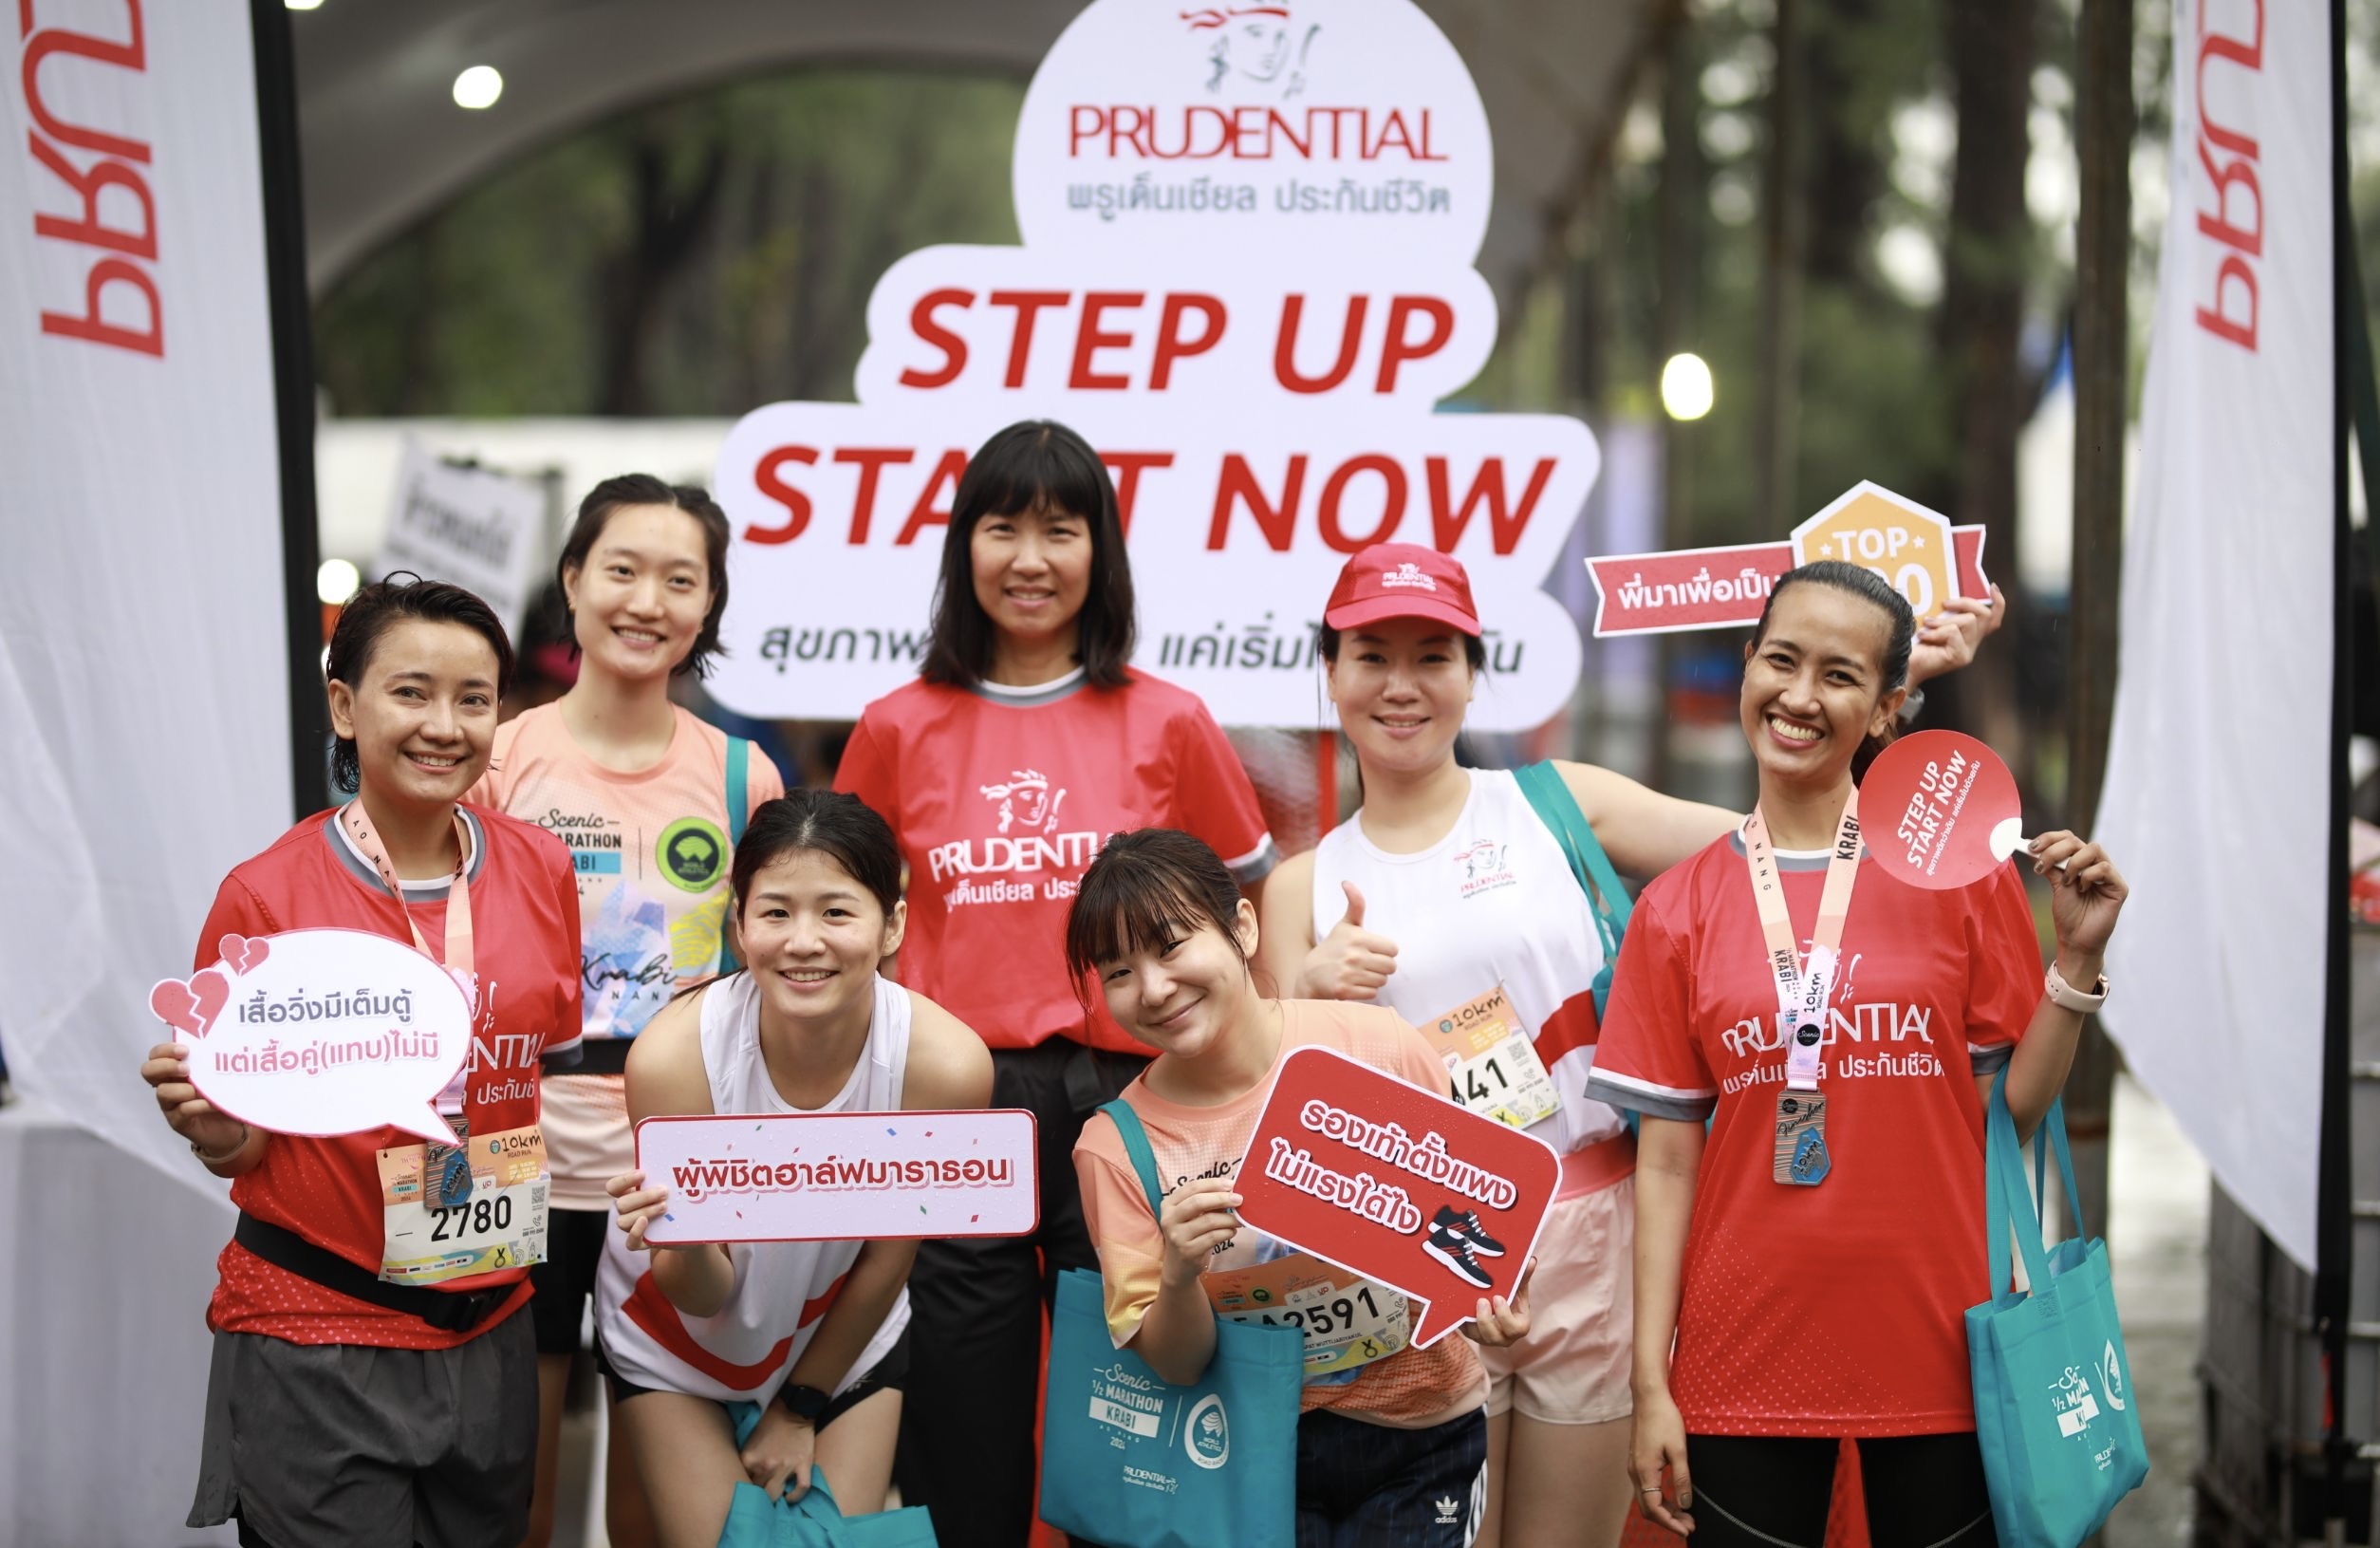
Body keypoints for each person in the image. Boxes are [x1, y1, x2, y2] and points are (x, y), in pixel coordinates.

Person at [1257, 544, 1999, 1548]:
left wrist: (1896, 698)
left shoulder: (1559, 801)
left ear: (1474, 672)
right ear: (1330, 671)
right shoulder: (1300, 885)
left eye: (1432, 655)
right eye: (1370, 655)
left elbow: (1795, 840)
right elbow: (1277, 1119)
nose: (1401, 686)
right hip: (1422, 1260)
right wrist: (1301, 997)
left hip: (1591, 1229)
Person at [1581, 561, 2127, 1548]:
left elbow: (2011, 1109)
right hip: (1741, 1351)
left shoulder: (1957, 876)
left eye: (1839, 675)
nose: (1799, 695)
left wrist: (2077, 962)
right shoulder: (1676, 908)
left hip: (1944, 1345)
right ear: (1746, 667)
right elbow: (1664, 1163)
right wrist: (1651, 1380)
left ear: (1885, 710)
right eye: (1781, 660)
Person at [834, 419, 1278, 1547]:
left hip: (1129, 1099)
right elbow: (846, 924)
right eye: (1002, 528)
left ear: (1101, 550)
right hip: (957, 1097)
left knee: (1139, 1390)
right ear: (963, 549)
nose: (1030, 558)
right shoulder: (897, 725)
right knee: (964, 1397)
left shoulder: (1167, 718)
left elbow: (1241, 909)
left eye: (1060, 529)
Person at [141, 576, 584, 1548]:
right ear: (345, 704)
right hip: (322, 1330)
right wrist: (220, 1132)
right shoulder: (265, 897)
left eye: (475, 698)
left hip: (492, 1316)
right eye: (411, 691)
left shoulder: (542, 869)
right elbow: (240, 1140)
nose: (446, 724)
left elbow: (541, 1072)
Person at [470, 474, 787, 1548]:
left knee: (660, 1484)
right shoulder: (499, 758)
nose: (647, 599)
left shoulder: (745, 777)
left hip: (682, 1160)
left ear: (708, 607)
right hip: (516, 1149)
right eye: (622, 569)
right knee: (511, 1464)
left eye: (680, 578)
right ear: (571, 582)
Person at [1069, 827, 1528, 1547]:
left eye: (1171, 945)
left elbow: (1471, 1241)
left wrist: (1486, 1305)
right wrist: (1180, 1272)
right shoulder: (1113, 1145)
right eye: (1118, 971)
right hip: (1241, 1457)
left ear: (1243, 927)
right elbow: (1175, 1362)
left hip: (1423, 1436)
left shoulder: (1377, 1047)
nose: (1153, 988)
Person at [597, 790, 993, 1548]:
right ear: (738, 926)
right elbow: (699, 1289)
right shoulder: (676, 1058)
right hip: (678, 1338)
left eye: (837, 913)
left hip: (844, 1326)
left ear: (892, 925)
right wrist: (676, 1236)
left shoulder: (944, 1065)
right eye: (775, 912)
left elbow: (889, 1254)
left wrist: (800, 1405)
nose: (803, 941)